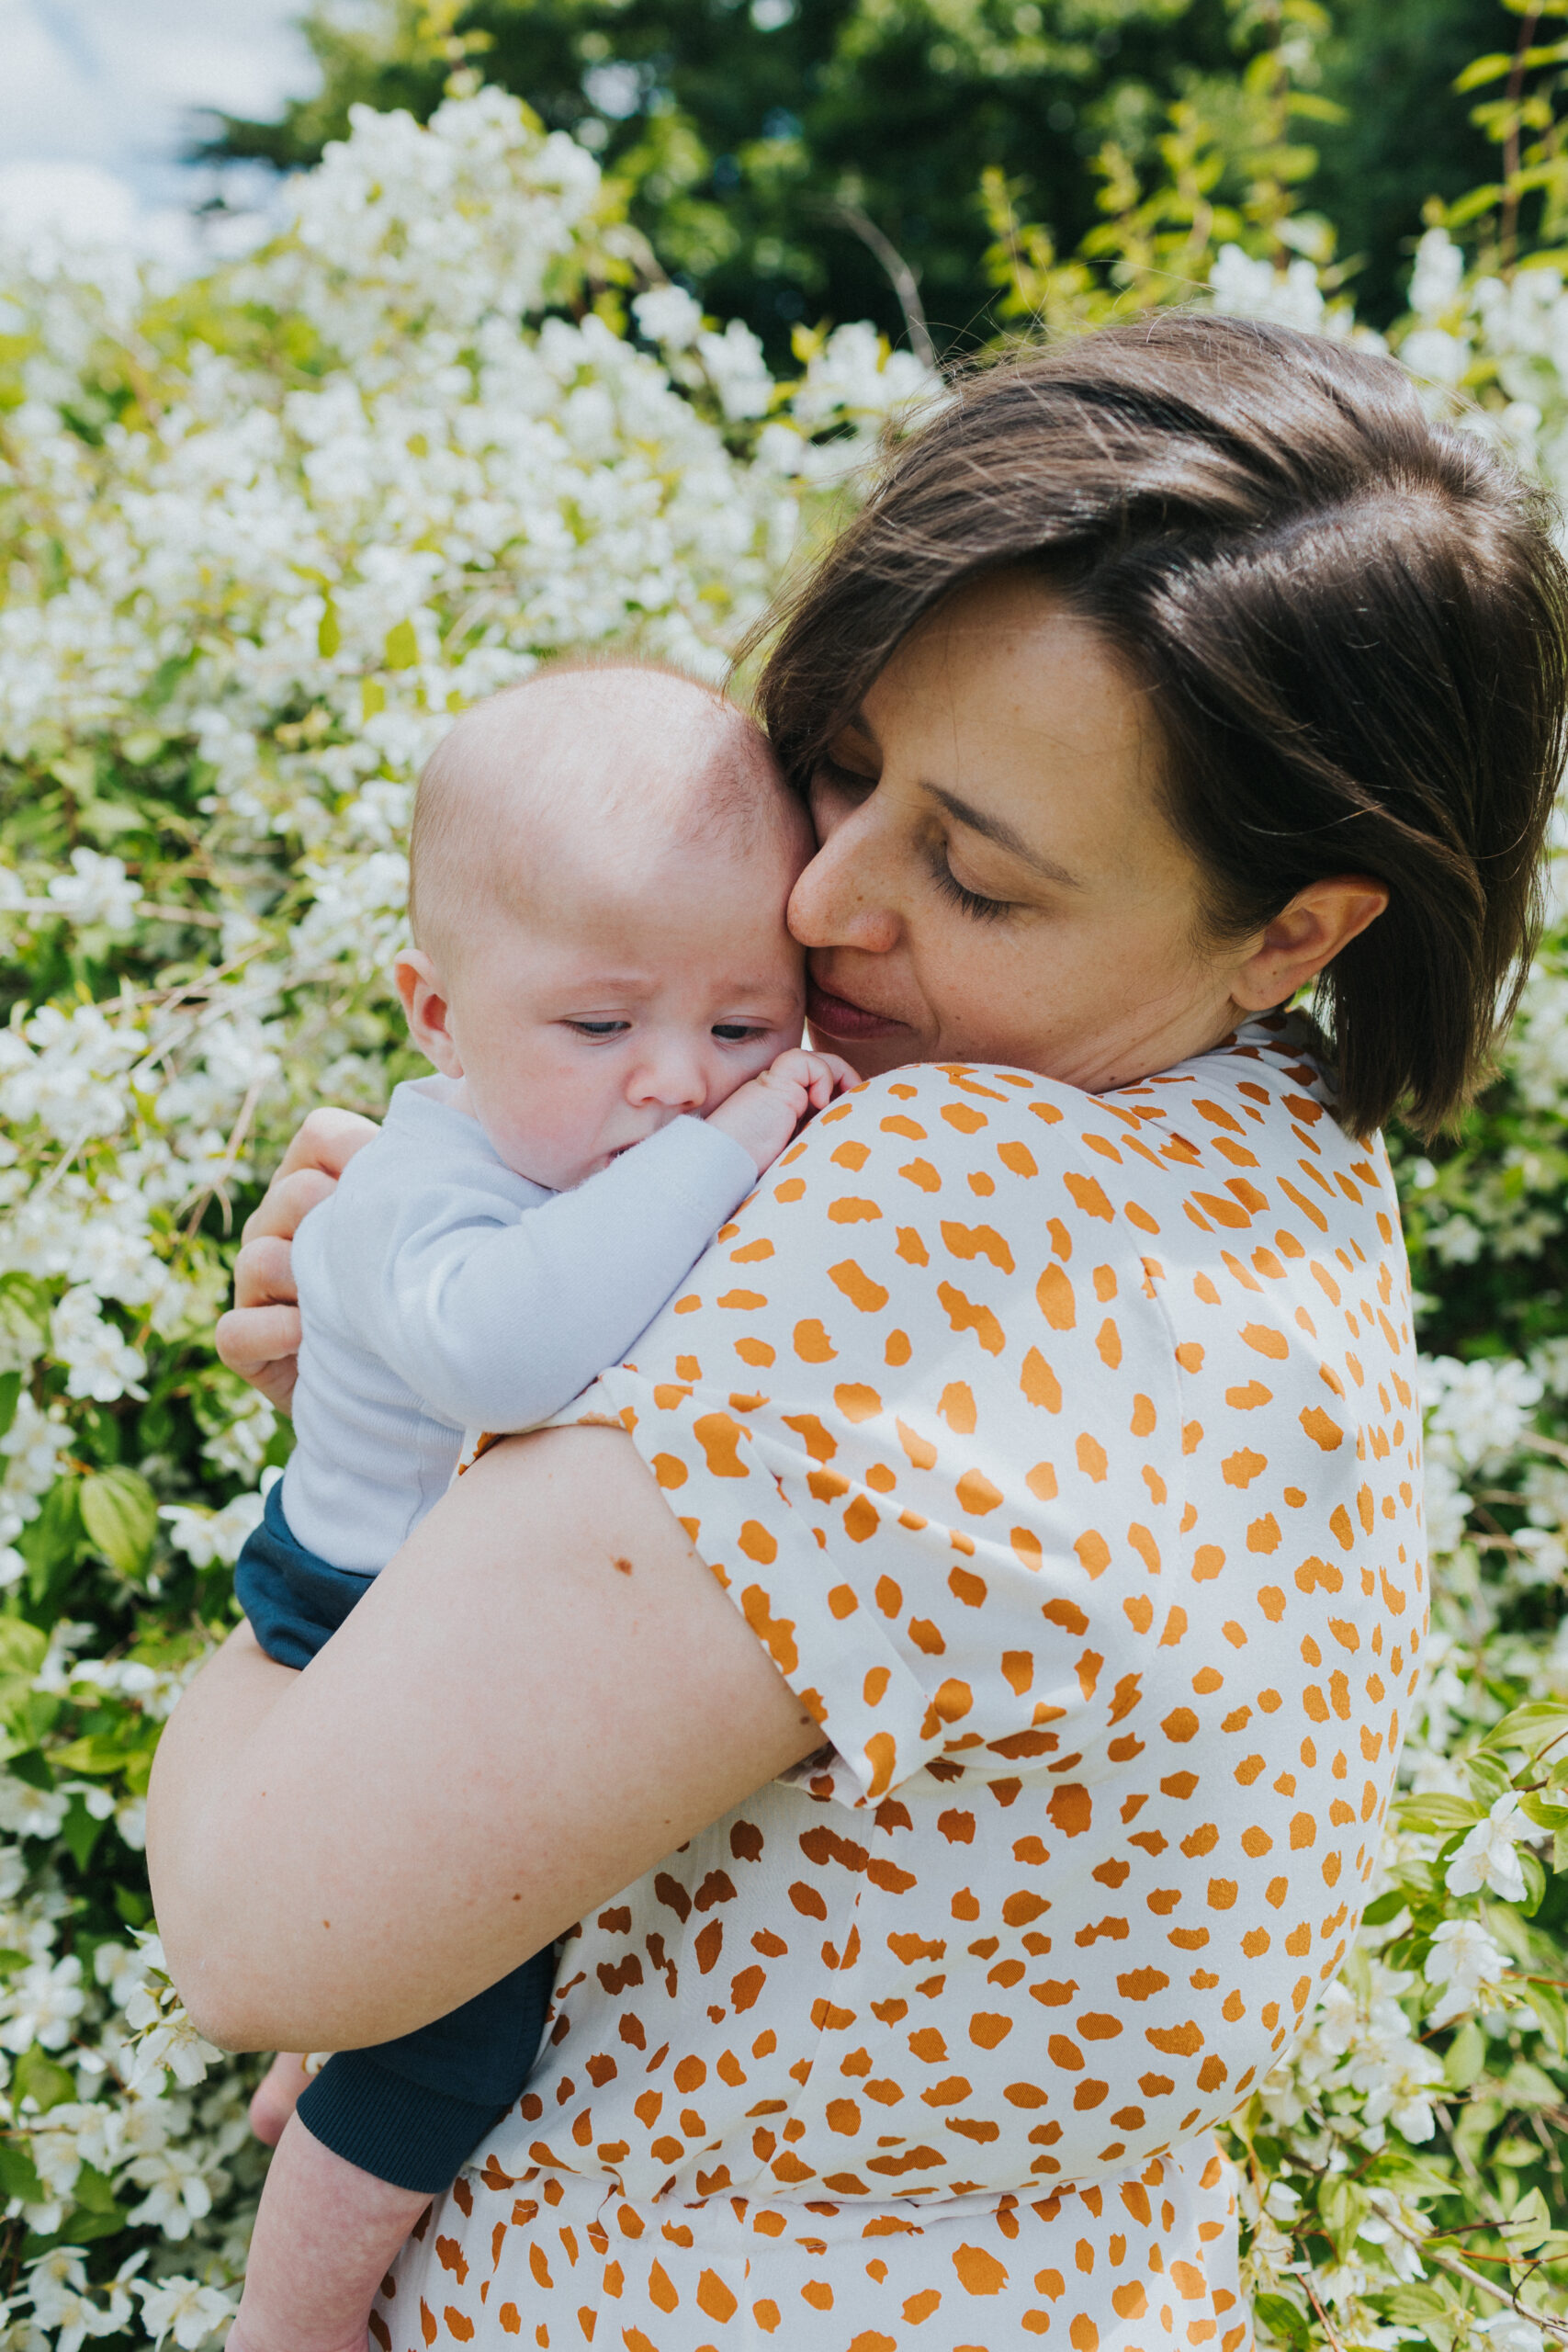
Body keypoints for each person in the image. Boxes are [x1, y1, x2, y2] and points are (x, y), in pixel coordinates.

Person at [147, 316, 1568, 2352]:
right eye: (836, 759)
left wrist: (349, 1470)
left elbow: (263, 1922)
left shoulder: (948, 1202)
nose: (816, 901)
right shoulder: (1269, 1143)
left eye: (971, 876)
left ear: (1293, 924)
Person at [227, 664, 854, 2352]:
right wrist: (731, 1151)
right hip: (347, 1607)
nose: (671, 1080)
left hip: (445, 1585)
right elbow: (510, 1357)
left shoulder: (588, 1151)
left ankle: (330, 2055)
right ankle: (292, 2312)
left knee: (452, 1940)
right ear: (435, 1016)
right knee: (460, 2021)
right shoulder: (428, 1188)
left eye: (743, 1027)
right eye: (599, 1026)